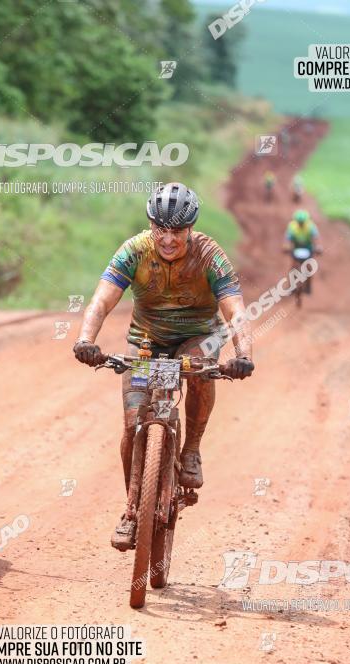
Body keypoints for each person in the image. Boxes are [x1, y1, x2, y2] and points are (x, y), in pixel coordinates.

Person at [73, 182, 254, 550]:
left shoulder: (210, 255)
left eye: (177, 231)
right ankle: (132, 511)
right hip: (146, 341)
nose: (168, 239)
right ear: (151, 226)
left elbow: (235, 309)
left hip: (198, 336)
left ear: (191, 229)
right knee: (130, 426)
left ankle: (191, 449)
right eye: (161, 229)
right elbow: (102, 300)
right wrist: (86, 340)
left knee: (203, 367)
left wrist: (243, 353)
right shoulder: (134, 251)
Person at [283, 209, 322, 294]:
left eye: (302, 222)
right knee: (293, 267)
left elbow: (315, 238)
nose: (301, 223)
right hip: (296, 247)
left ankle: (308, 286)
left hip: (308, 247)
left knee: (309, 267)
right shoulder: (292, 226)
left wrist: (318, 247)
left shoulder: (311, 226)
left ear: (306, 221)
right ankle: (292, 287)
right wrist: (286, 246)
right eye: (299, 222)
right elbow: (287, 238)